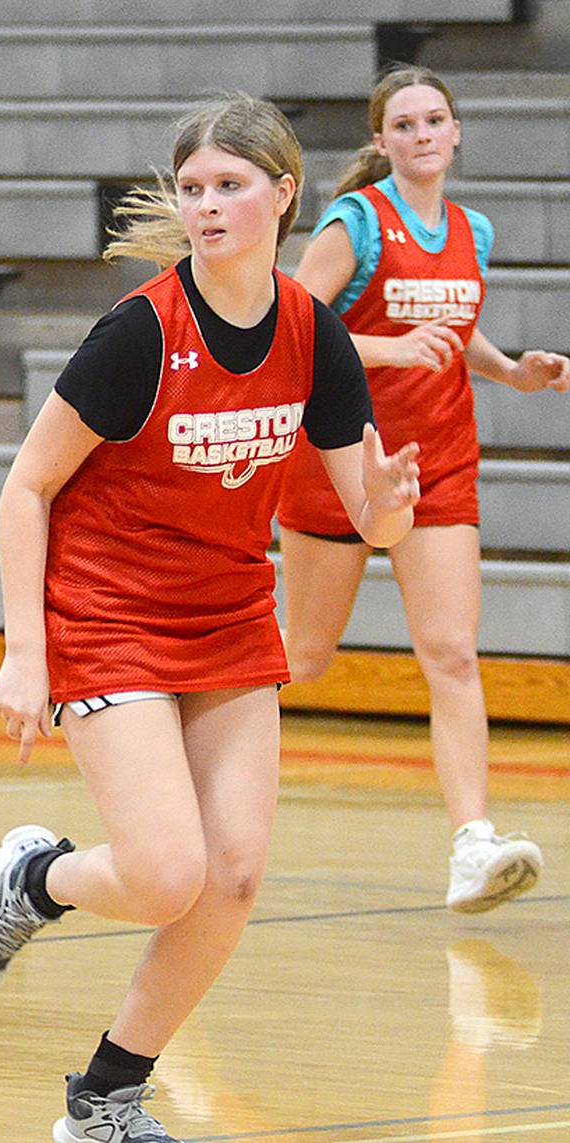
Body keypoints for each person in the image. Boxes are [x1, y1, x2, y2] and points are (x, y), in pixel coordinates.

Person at [0, 95, 420, 1143]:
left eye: (230, 187)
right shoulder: (140, 333)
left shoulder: (312, 332)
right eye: (192, 189)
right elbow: (25, 489)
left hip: (228, 615)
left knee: (233, 877)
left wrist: (390, 506)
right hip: (109, 610)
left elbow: (364, 517)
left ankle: (105, 1097)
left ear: (283, 195)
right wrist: (27, 652)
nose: (206, 207)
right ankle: (34, 879)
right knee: (166, 874)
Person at [278, 66, 568, 913]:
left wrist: (511, 371)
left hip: (438, 463)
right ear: (382, 142)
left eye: (435, 119)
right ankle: (178, 755)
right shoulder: (357, 221)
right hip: (343, 460)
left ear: (456, 131)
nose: (422, 134)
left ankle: (472, 845)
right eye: (403, 124)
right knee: (304, 657)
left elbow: (457, 325)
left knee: (452, 651)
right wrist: (390, 350)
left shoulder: (472, 230)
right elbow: (292, 323)